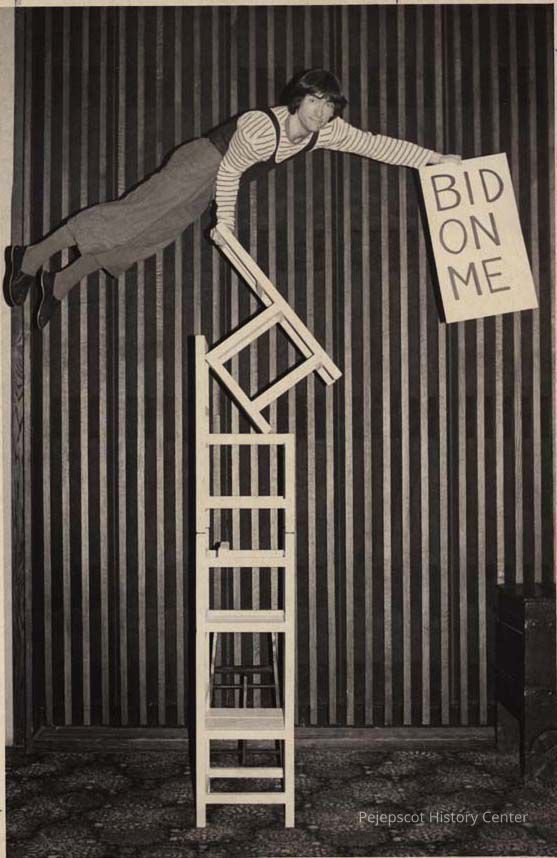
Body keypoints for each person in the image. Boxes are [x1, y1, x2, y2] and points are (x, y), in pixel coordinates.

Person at [3, 69, 461, 329]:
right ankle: (30, 257)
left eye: (329, 105)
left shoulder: (326, 132)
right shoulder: (262, 127)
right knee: (129, 218)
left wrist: (434, 158)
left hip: (213, 182)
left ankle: (59, 282)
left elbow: (378, 145)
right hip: (202, 163)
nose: (321, 112)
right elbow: (230, 171)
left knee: (150, 238)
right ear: (298, 98)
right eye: (315, 101)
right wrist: (227, 224)